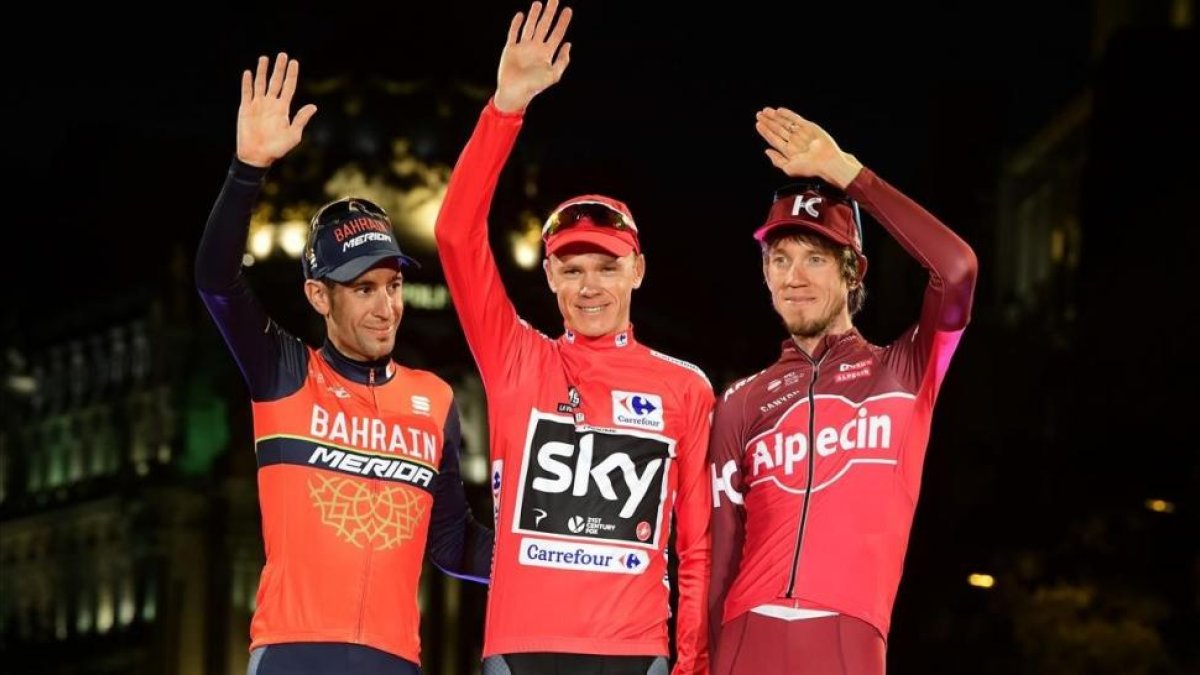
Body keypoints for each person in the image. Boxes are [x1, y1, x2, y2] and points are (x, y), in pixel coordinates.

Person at [433, 2, 714, 674]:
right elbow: (454, 234)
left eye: (607, 267)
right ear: (551, 276)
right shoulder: (514, 356)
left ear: (637, 270)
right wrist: (505, 108)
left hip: (634, 652)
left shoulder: (685, 386)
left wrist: (694, 661)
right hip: (520, 651)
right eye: (572, 268)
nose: (590, 286)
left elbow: (697, 546)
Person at [196, 52, 492, 675]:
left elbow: (452, 542)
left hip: (396, 662)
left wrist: (557, 556)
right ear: (318, 295)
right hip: (292, 655)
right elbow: (216, 280)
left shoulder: (434, 399)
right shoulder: (284, 373)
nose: (386, 307)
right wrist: (247, 169)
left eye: (392, 286)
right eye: (362, 290)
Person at [707, 107, 979, 675]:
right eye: (779, 259)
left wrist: (848, 173)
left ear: (853, 272)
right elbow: (718, 559)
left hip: (847, 641)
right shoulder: (740, 401)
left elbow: (956, 270)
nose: (793, 277)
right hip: (741, 638)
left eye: (814, 258)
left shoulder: (904, 369)